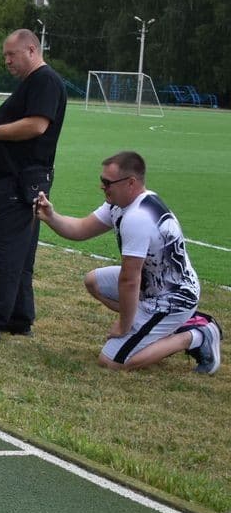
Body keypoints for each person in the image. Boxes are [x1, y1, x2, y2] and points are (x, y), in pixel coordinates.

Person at [36, 151, 218, 372]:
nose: (102, 187)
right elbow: (81, 229)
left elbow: (130, 280)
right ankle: (154, 325)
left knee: (112, 361)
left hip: (173, 298)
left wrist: (124, 324)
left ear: (130, 183)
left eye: (107, 182)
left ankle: (196, 335)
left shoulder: (137, 218)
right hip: (153, 286)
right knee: (93, 281)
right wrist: (51, 217)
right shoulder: (121, 204)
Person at [0, 29, 67, 341]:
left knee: (5, 249)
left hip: (18, 181)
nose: (6, 61)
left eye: (11, 55)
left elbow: (37, 124)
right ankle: (19, 316)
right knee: (21, 251)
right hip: (26, 180)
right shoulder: (36, 83)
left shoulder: (44, 80)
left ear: (31, 50)